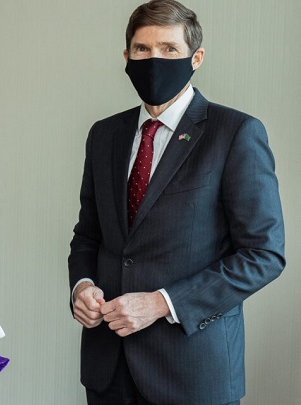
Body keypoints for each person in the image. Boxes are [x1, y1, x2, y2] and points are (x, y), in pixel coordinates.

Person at [67, 1, 285, 404]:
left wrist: (161, 303)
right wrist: (82, 287)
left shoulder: (235, 133)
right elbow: (88, 235)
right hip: (108, 370)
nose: (155, 60)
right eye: (142, 49)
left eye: (169, 49)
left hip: (194, 371)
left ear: (195, 58)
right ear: (127, 57)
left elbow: (264, 255)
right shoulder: (104, 135)